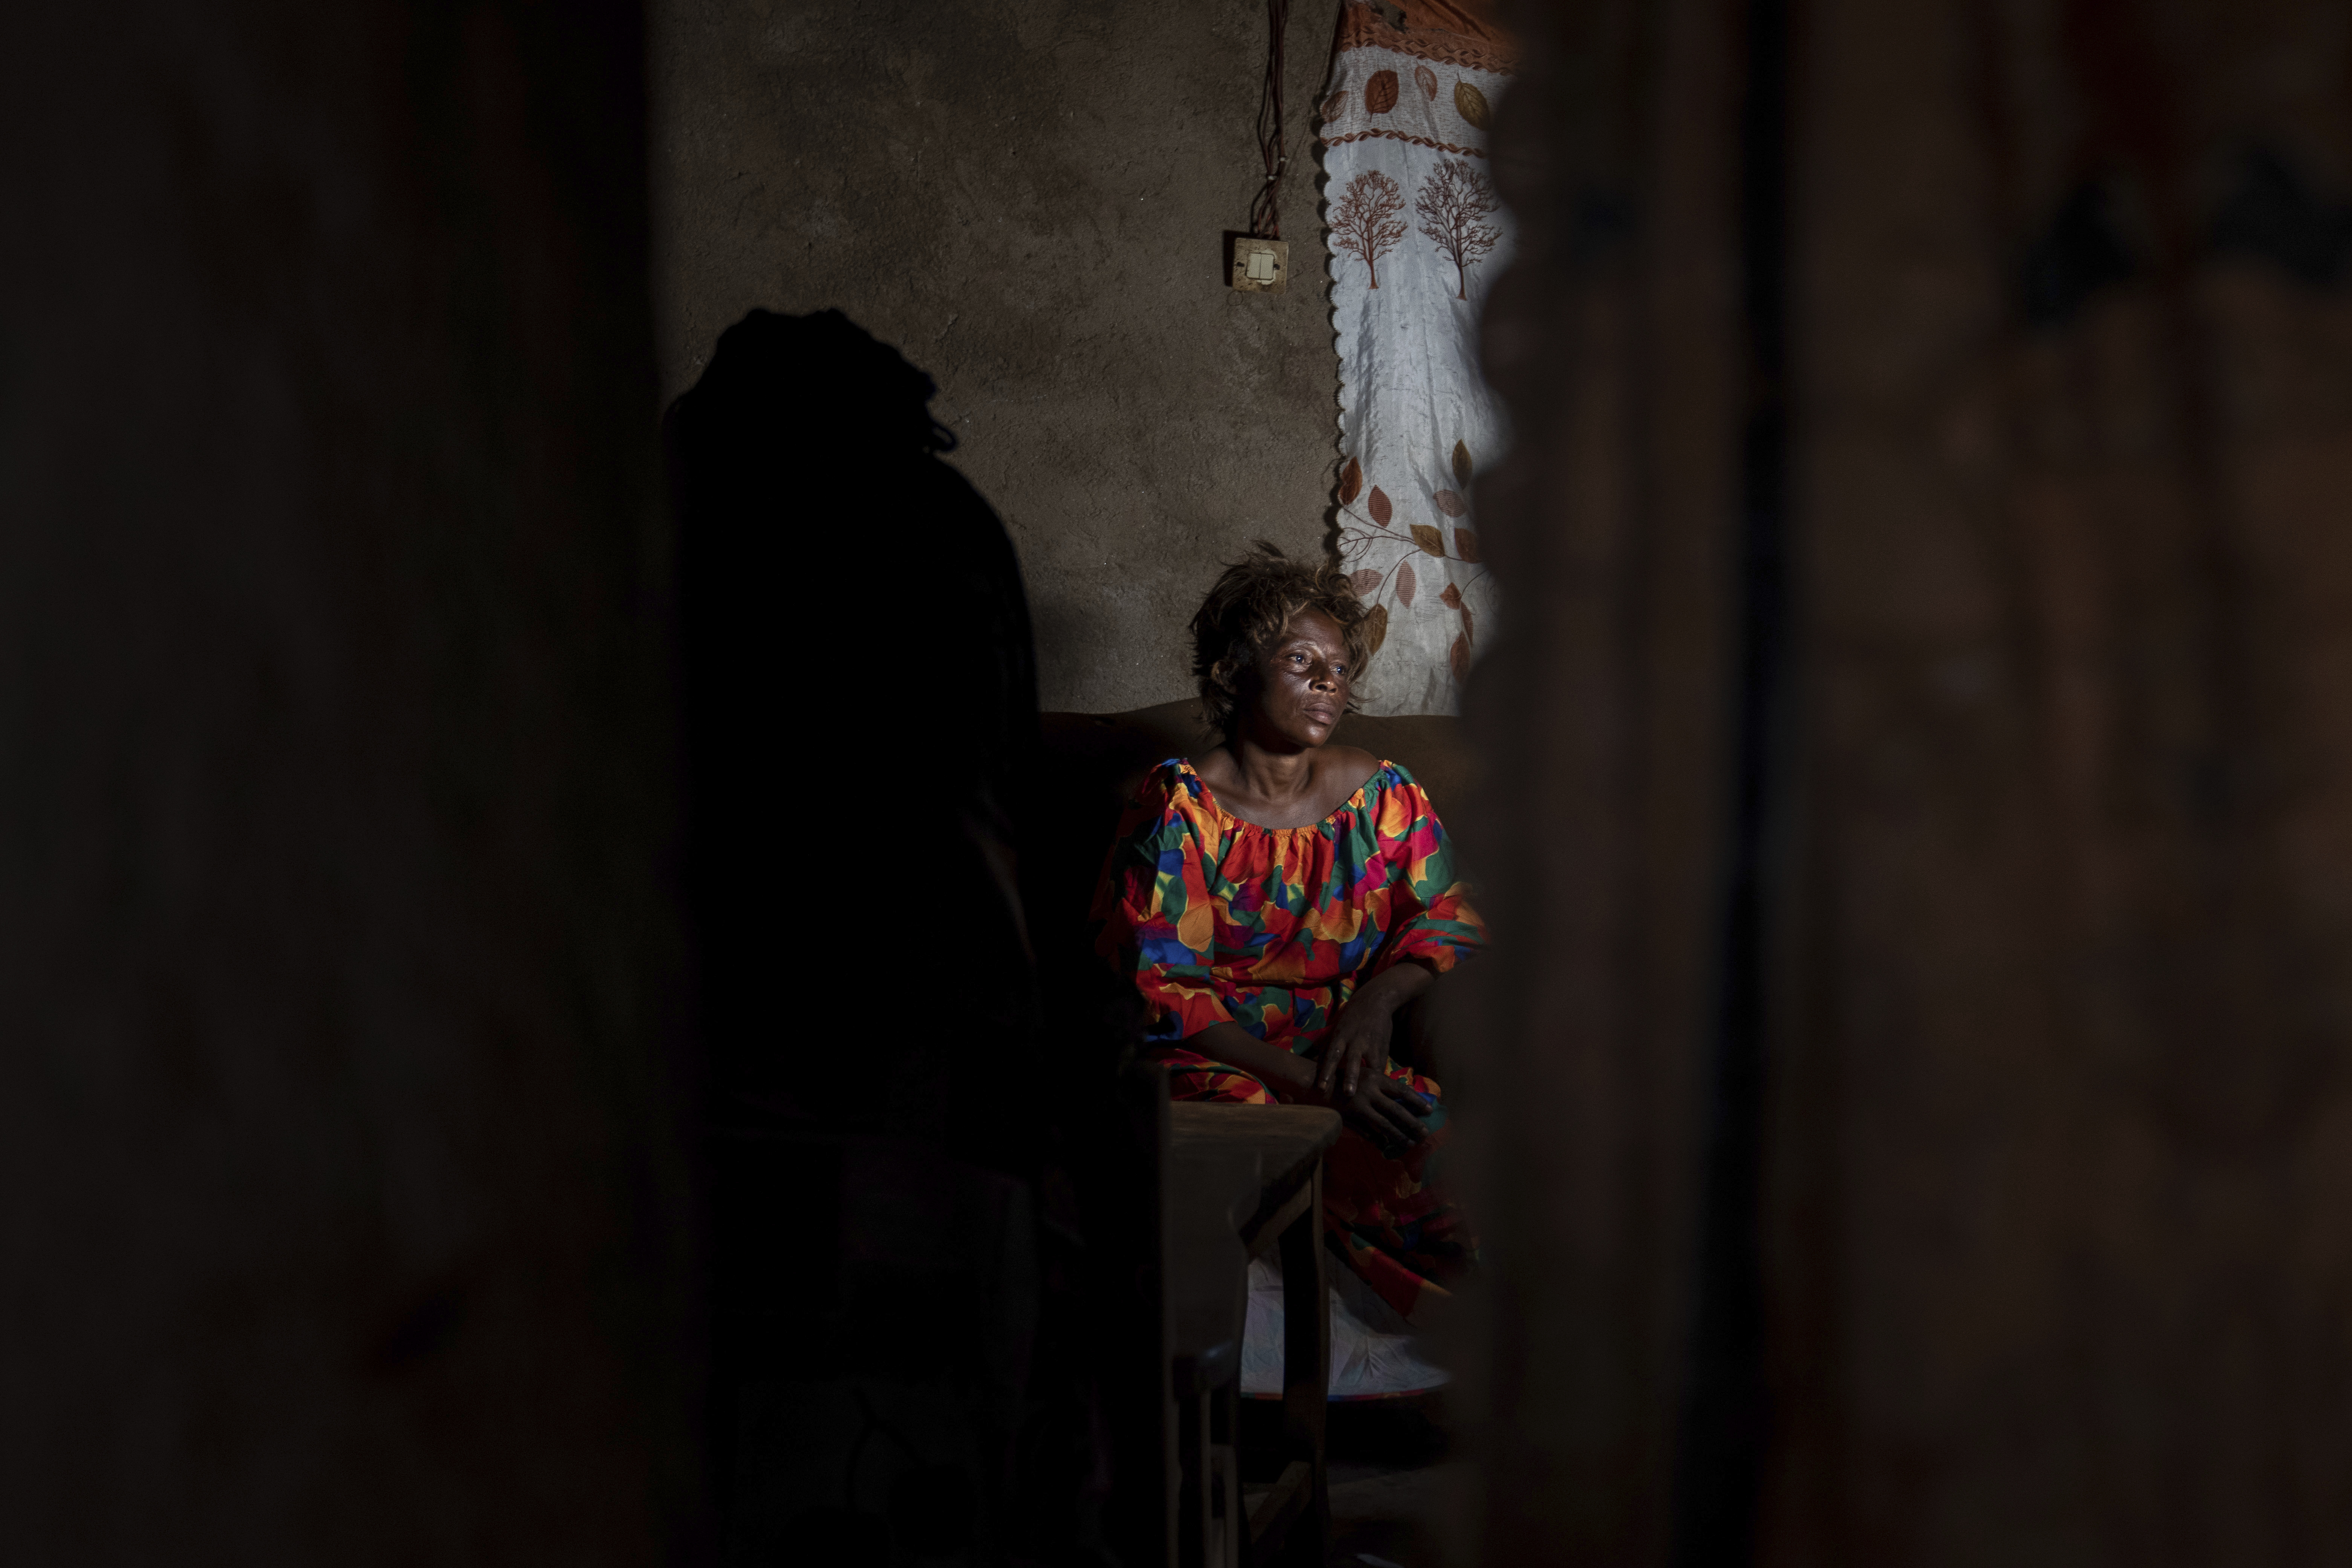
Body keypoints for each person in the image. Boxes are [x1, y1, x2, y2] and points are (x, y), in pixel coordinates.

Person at [1091, 543, 1484, 1322]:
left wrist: (1377, 1002)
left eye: (1337, 669)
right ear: (1237, 670)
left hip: (1343, 1052)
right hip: (1215, 1063)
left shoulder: (1383, 797)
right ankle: (1288, 1358)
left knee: (1442, 1146)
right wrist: (1307, 1085)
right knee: (1270, 1158)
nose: (1326, 685)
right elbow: (1161, 995)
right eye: (1301, 660)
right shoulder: (1178, 811)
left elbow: (1448, 915)